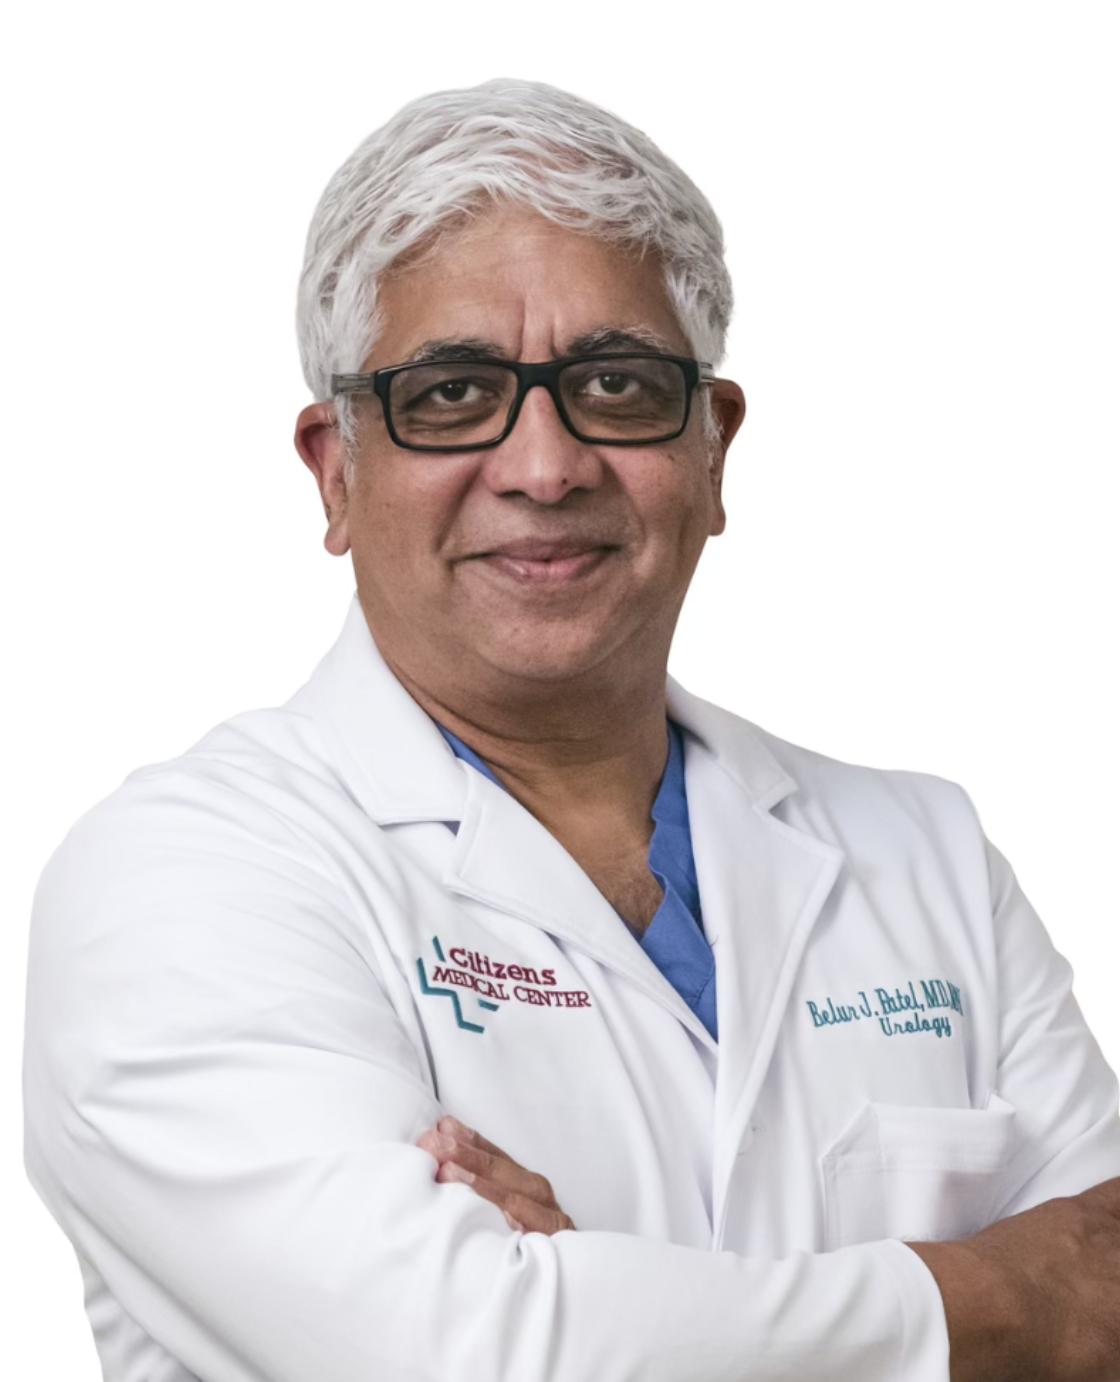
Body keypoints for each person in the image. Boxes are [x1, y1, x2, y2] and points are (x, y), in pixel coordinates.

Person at [23, 78, 1120, 1382]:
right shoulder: (179, 880)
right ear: (336, 470)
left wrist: (604, 1300)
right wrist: (1001, 1305)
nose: (544, 466)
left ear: (713, 450)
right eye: (450, 393)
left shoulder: (925, 851)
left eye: (615, 381)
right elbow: (470, 1354)